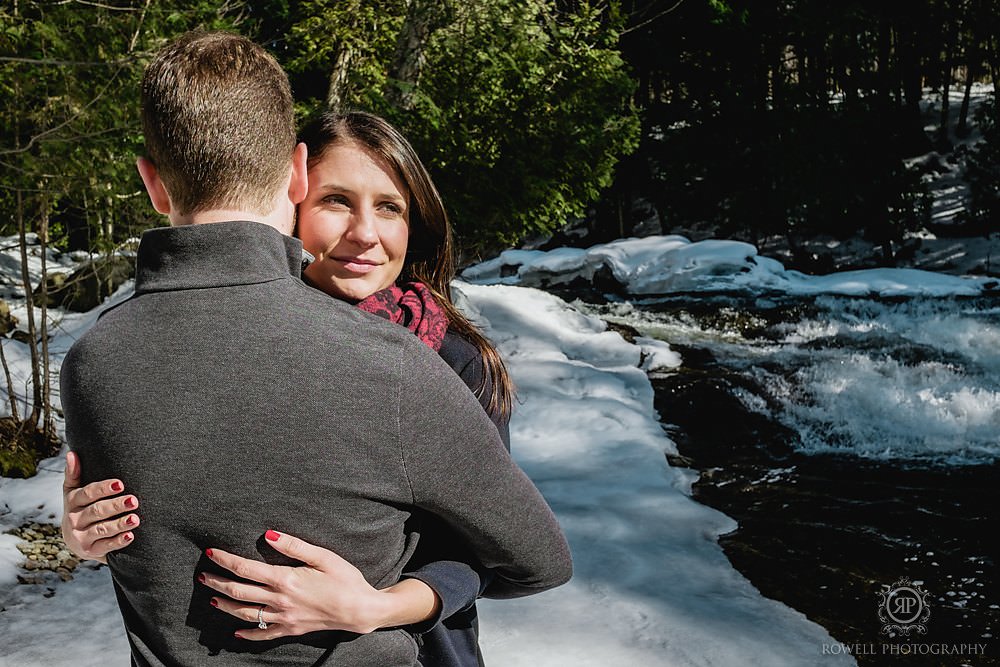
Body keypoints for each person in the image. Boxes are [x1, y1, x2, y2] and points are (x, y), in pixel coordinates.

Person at [59, 30, 571, 667]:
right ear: (296, 185)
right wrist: (89, 531)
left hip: (431, 644)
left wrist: (378, 605)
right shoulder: (249, 349)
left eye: (390, 208)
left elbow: (495, 549)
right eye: (336, 201)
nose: (364, 233)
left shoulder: (447, 358)